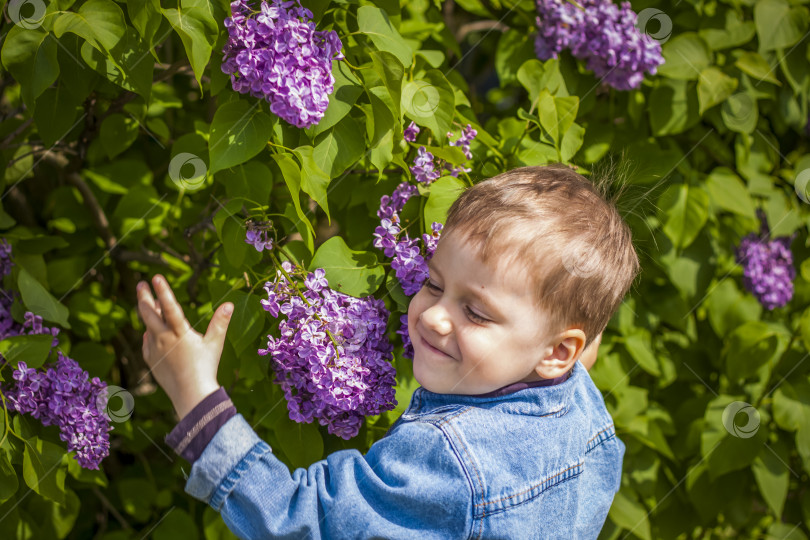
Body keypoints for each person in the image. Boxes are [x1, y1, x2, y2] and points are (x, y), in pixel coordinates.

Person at [136, 164, 640, 539]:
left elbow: (300, 522)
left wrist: (196, 397)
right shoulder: (576, 396)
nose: (434, 316)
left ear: (558, 350)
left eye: (477, 313)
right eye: (433, 283)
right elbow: (580, 351)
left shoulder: (444, 461)